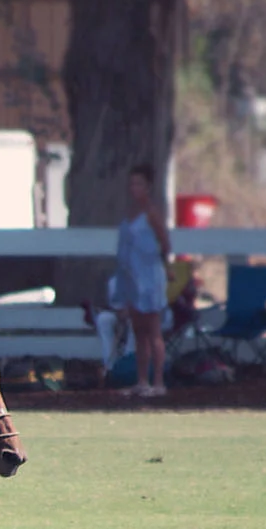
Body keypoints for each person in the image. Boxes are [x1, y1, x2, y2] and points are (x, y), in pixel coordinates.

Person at [112, 165, 171, 397]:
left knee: (153, 329)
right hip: (131, 278)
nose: (134, 188)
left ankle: (158, 382)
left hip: (149, 278)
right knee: (138, 332)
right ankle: (142, 380)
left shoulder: (152, 213)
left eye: (138, 183)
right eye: (132, 183)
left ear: (147, 186)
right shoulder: (130, 213)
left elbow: (165, 243)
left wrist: (159, 266)